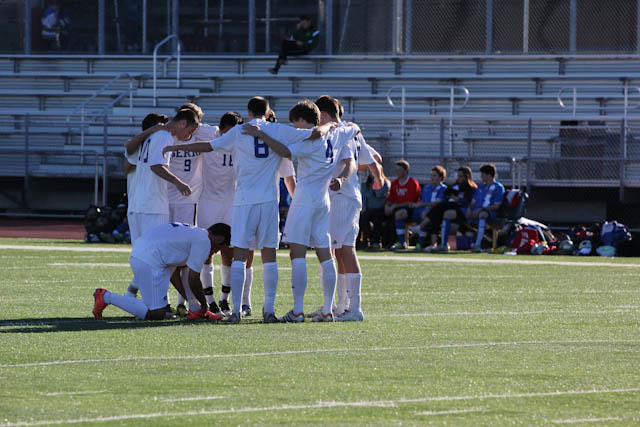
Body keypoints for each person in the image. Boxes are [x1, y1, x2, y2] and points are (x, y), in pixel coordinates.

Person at [163, 96, 329, 324]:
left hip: (243, 201)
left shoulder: (239, 131)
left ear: (249, 112)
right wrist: (331, 125)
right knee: (269, 255)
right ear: (268, 112)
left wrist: (176, 146)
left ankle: (236, 311)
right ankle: (268, 310)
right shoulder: (278, 129)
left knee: (239, 255)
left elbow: (208, 146)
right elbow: (313, 133)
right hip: (268, 201)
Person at [243, 100, 357, 323]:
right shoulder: (337, 134)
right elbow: (354, 128)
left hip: (304, 201)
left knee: (297, 254)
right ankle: (327, 309)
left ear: (304, 120)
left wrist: (262, 135)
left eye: (297, 123)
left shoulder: (310, 140)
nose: (295, 128)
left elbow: (285, 151)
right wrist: (331, 126)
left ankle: (297, 310)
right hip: (323, 201)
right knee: (325, 255)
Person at [304, 95, 382, 322]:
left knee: (345, 250)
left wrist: (342, 179)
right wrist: (378, 179)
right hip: (345, 197)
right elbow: (373, 158)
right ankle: (340, 306)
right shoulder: (352, 130)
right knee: (338, 251)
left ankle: (354, 308)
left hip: (342, 197)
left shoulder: (342, 132)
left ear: (324, 114)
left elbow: (352, 162)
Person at [124, 108, 199, 304]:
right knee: (158, 255)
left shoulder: (151, 137)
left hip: (136, 205)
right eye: (190, 130)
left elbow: (129, 155)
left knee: (142, 255)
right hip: (153, 205)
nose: (188, 136)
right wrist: (178, 182)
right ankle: (158, 302)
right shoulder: (165, 137)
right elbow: (156, 165)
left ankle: (132, 295)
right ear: (182, 123)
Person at [92, 222, 231, 321]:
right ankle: (106, 296)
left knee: (161, 310)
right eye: (218, 249)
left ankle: (195, 310)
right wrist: (205, 305)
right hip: (149, 259)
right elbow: (193, 279)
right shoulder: (204, 241)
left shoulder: (195, 234)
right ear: (220, 239)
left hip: (144, 254)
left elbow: (175, 274)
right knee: (156, 314)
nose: (215, 253)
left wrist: (194, 304)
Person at [123, 113, 169, 244]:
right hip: (144, 202)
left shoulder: (146, 143)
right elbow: (126, 168)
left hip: (141, 202)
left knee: (144, 245)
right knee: (150, 245)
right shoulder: (143, 144)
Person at [424, 166, 477, 253]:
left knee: (440, 207)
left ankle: (422, 226)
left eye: (460, 176)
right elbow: (447, 194)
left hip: (462, 211)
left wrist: (457, 199)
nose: (458, 178)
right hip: (452, 209)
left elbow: (468, 202)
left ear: (466, 177)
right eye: (458, 176)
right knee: (441, 214)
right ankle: (440, 244)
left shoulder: (471, 188)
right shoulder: (455, 186)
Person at [468, 163, 505, 252]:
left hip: (489, 213)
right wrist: (469, 209)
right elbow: (473, 202)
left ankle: (478, 244)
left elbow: (496, 206)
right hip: (476, 212)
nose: (481, 176)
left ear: (489, 175)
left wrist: (481, 209)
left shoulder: (498, 187)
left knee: (483, 214)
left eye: (482, 174)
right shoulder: (480, 187)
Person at [385, 160, 421, 250]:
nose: (397, 172)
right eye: (396, 170)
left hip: (411, 209)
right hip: (397, 208)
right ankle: (382, 242)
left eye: (399, 170)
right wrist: (387, 206)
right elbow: (390, 199)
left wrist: (394, 206)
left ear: (406, 171)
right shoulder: (395, 183)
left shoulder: (412, 183)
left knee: (400, 213)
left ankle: (401, 242)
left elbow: (410, 202)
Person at [411, 166, 447, 252]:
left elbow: (437, 204)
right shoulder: (426, 188)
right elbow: (422, 201)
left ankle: (420, 244)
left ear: (441, 178)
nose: (431, 177)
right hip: (423, 211)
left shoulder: (443, 188)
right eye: (431, 175)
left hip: (435, 214)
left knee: (427, 216)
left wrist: (424, 206)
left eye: (434, 175)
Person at [360, 170, 390, 249]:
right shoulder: (365, 185)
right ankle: (365, 241)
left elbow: (378, 194)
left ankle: (376, 242)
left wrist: (376, 182)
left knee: (377, 217)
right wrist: (364, 207)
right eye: (370, 171)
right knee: (363, 217)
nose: (372, 173)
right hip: (369, 209)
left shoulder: (385, 183)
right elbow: (364, 198)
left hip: (380, 209)